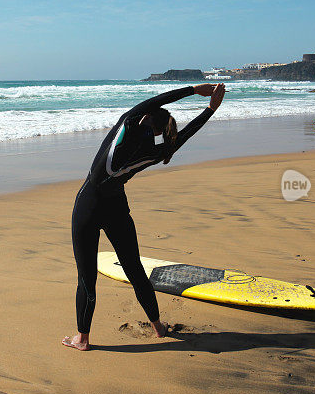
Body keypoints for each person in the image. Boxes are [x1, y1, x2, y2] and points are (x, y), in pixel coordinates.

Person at [62, 83, 226, 351]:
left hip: (88, 206)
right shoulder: (160, 150)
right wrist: (210, 109)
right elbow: (184, 135)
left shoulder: (125, 126)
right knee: (135, 269)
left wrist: (194, 90)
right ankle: (158, 326)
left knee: (86, 276)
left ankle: (82, 339)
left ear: (144, 120)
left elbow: (155, 100)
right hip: (116, 208)